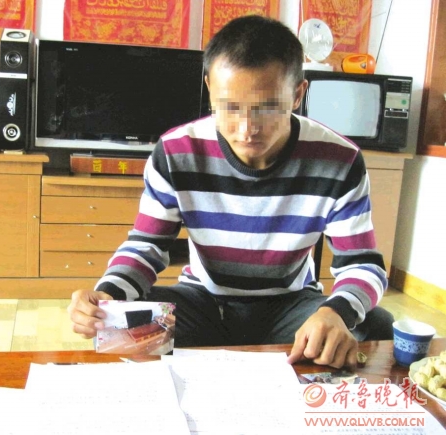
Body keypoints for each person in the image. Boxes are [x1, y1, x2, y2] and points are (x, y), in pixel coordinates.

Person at [68, 14, 394, 369]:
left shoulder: (339, 160)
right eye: (230, 107)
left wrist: (335, 313)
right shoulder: (176, 152)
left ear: (298, 94)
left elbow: (363, 264)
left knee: (373, 325)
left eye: (267, 108)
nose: (246, 129)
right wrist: (106, 295)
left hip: (290, 308)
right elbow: (147, 246)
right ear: (210, 87)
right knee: (116, 322)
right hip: (203, 303)